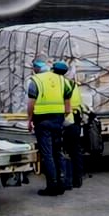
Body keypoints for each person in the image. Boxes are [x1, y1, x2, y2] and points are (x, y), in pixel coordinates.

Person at [25, 57, 72, 196]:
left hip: (42, 121)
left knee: (47, 154)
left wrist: (29, 119)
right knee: (58, 152)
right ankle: (62, 183)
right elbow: (68, 108)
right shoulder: (64, 81)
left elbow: (30, 104)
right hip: (58, 121)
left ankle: (52, 186)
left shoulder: (36, 81)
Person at [54, 60, 86, 190]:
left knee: (60, 152)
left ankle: (65, 180)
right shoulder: (73, 85)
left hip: (63, 121)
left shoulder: (59, 85)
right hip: (74, 121)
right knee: (76, 152)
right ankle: (77, 179)